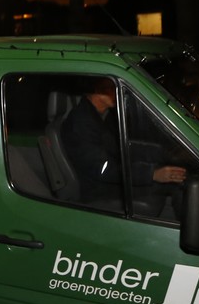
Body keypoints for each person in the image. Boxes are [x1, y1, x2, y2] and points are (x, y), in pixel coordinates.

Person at [60, 76, 185, 209]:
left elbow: (119, 148)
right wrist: (152, 174)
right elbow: (103, 169)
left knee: (177, 182)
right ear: (97, 89)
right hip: (99, 190)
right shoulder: (82, 122)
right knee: (173, 186)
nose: (118, 92)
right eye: (112, 88)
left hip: (108, 182)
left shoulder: (98, 115)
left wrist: (162, 153)